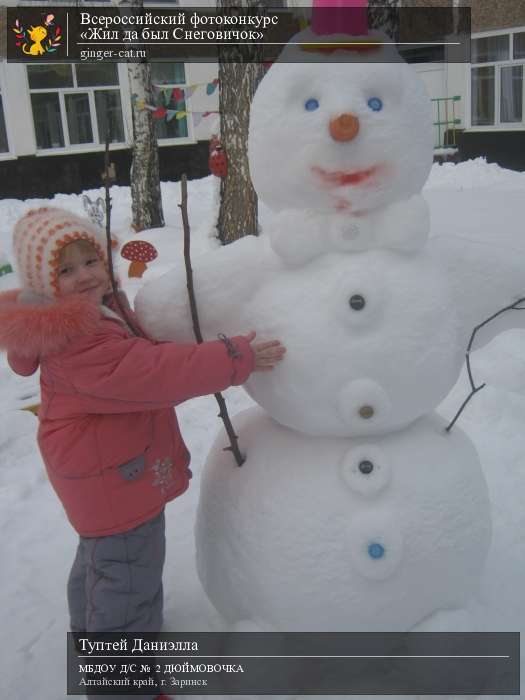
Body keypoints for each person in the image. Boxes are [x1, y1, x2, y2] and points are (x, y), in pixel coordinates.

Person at [0, 206, 286, 700]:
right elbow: (152, 372)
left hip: (99, 474)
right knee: (128, 577)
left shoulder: (87, 314)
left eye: (89, 260)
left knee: (102, 562)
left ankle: (94, 639)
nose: (85, 275)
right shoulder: (79, 338)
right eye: (65, 271)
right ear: (45, 285)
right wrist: (234, 357)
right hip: (114, 479)